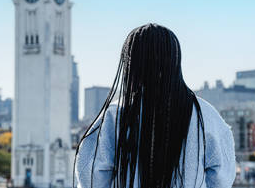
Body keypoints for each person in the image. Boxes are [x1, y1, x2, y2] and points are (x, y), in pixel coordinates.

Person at [74, 23, 236, 188]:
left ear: (131, 63)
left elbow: (91, 177)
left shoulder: (115, 114)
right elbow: (222, 177)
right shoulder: (205, 115)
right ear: (175, 60)